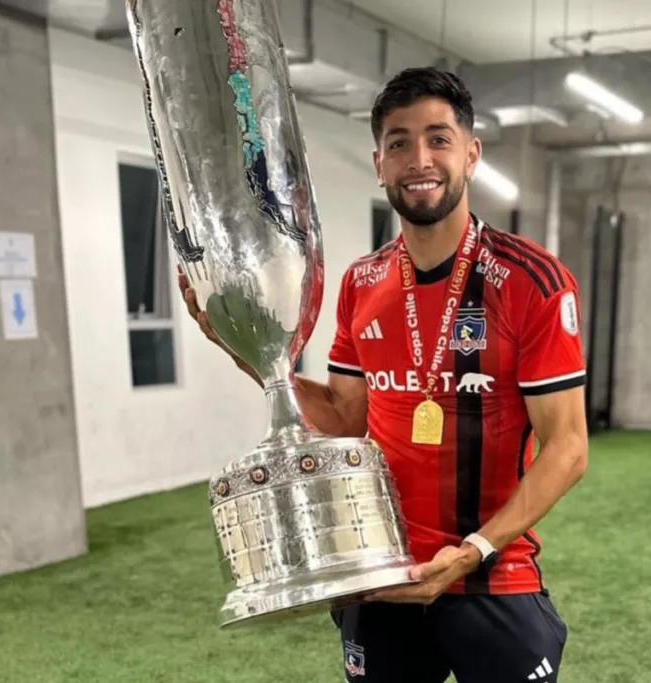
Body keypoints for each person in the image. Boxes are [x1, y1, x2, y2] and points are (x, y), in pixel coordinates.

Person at [180, 66, 589, 683]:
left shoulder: (531, 280)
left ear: (470, 154)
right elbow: (347, 416)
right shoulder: (363, 282)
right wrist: (251, 353)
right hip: (380, 575)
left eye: (438, 139)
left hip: (490, 577)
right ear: (379, 163)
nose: (418, 158)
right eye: (399, 143)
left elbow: (568, 447)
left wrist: (471, 552)